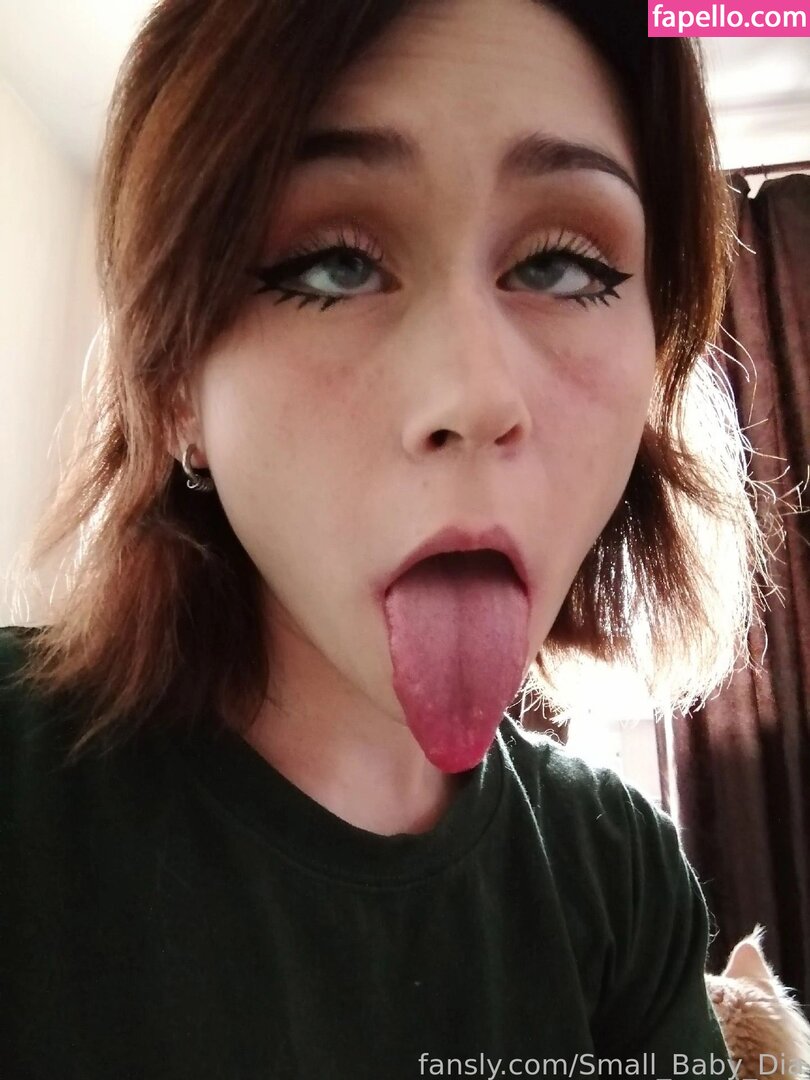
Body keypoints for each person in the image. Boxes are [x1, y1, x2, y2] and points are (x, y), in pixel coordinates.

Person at [1, 0, 774, 1076]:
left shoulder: (623, 881)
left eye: (561, 267)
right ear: (177, 393)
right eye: (332, 264)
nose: (476, 394)